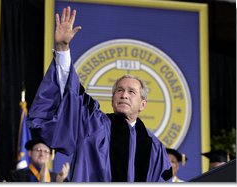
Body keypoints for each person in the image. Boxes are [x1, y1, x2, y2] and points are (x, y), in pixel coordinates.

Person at [27, 6, 172, 182]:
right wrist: (62, 49)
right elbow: (72, 93)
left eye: (131, 92)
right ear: (112, 100)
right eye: (119, 90)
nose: (124, 95)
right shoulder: (93, 124)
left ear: (143, 104)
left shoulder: (154, 147)